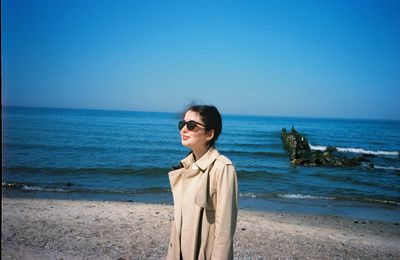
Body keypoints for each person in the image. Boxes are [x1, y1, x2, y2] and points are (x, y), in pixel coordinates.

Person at [167, 105, 238, 260]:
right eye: (182, 124)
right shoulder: (184, 166)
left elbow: (224, 231)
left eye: (191, 125)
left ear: (210, 134)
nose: (184, 129)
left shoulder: (222, 168)